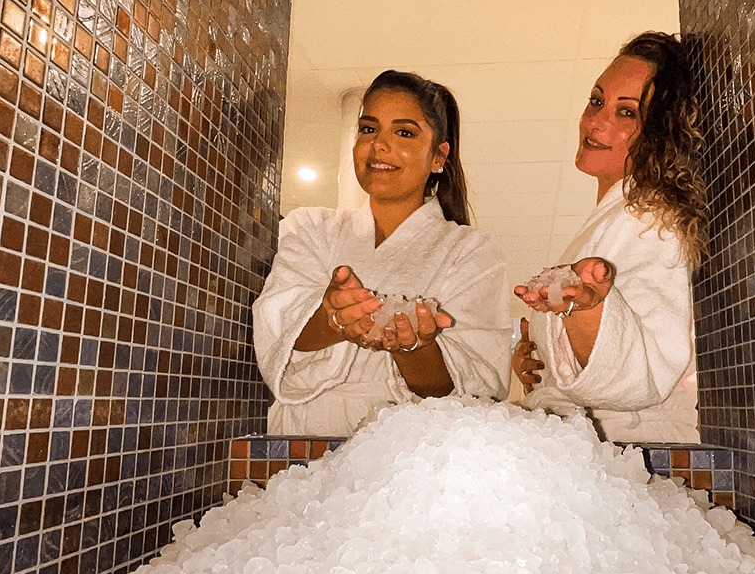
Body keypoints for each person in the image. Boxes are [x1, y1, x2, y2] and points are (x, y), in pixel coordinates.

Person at [254, 70, 511, 437]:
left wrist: (412, 348)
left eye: (404, 132)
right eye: (368, 129)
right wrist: (333, 320)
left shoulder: (470, 251)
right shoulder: (309, 227)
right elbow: (276, 331)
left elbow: (471, 389)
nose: (379, 145)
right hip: (300, 440)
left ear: (438, 157)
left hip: (402, 452)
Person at [512, 32, 706, 443]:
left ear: (659, 132)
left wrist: (583, 311)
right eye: (597, 101)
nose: (596, 121)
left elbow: (646, 373)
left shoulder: (653, 219)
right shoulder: (618, 220)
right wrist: (540, 362)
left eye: (626, 113)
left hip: (635, 457)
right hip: (602, 452)